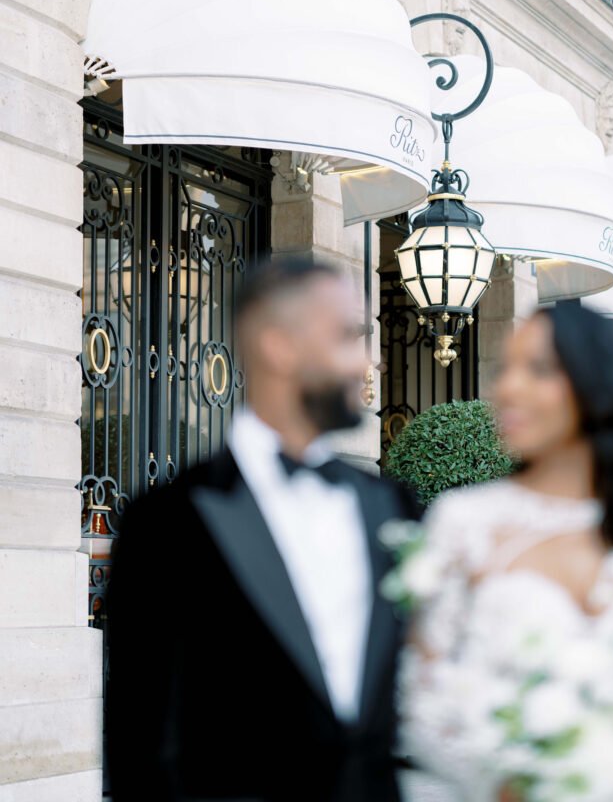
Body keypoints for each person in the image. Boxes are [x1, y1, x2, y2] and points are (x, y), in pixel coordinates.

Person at [105, 257, 422, 802]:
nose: (370, 361)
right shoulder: (165, 522)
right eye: (349, 336)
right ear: (279, 346)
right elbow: (139, 745)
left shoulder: (389, 504)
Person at [396, 301, 613, 802]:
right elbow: (418, 690)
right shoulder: (465, 520)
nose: (508, 387)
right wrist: (518, 777)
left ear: (593, 384)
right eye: (507, 368)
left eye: (538, 369)